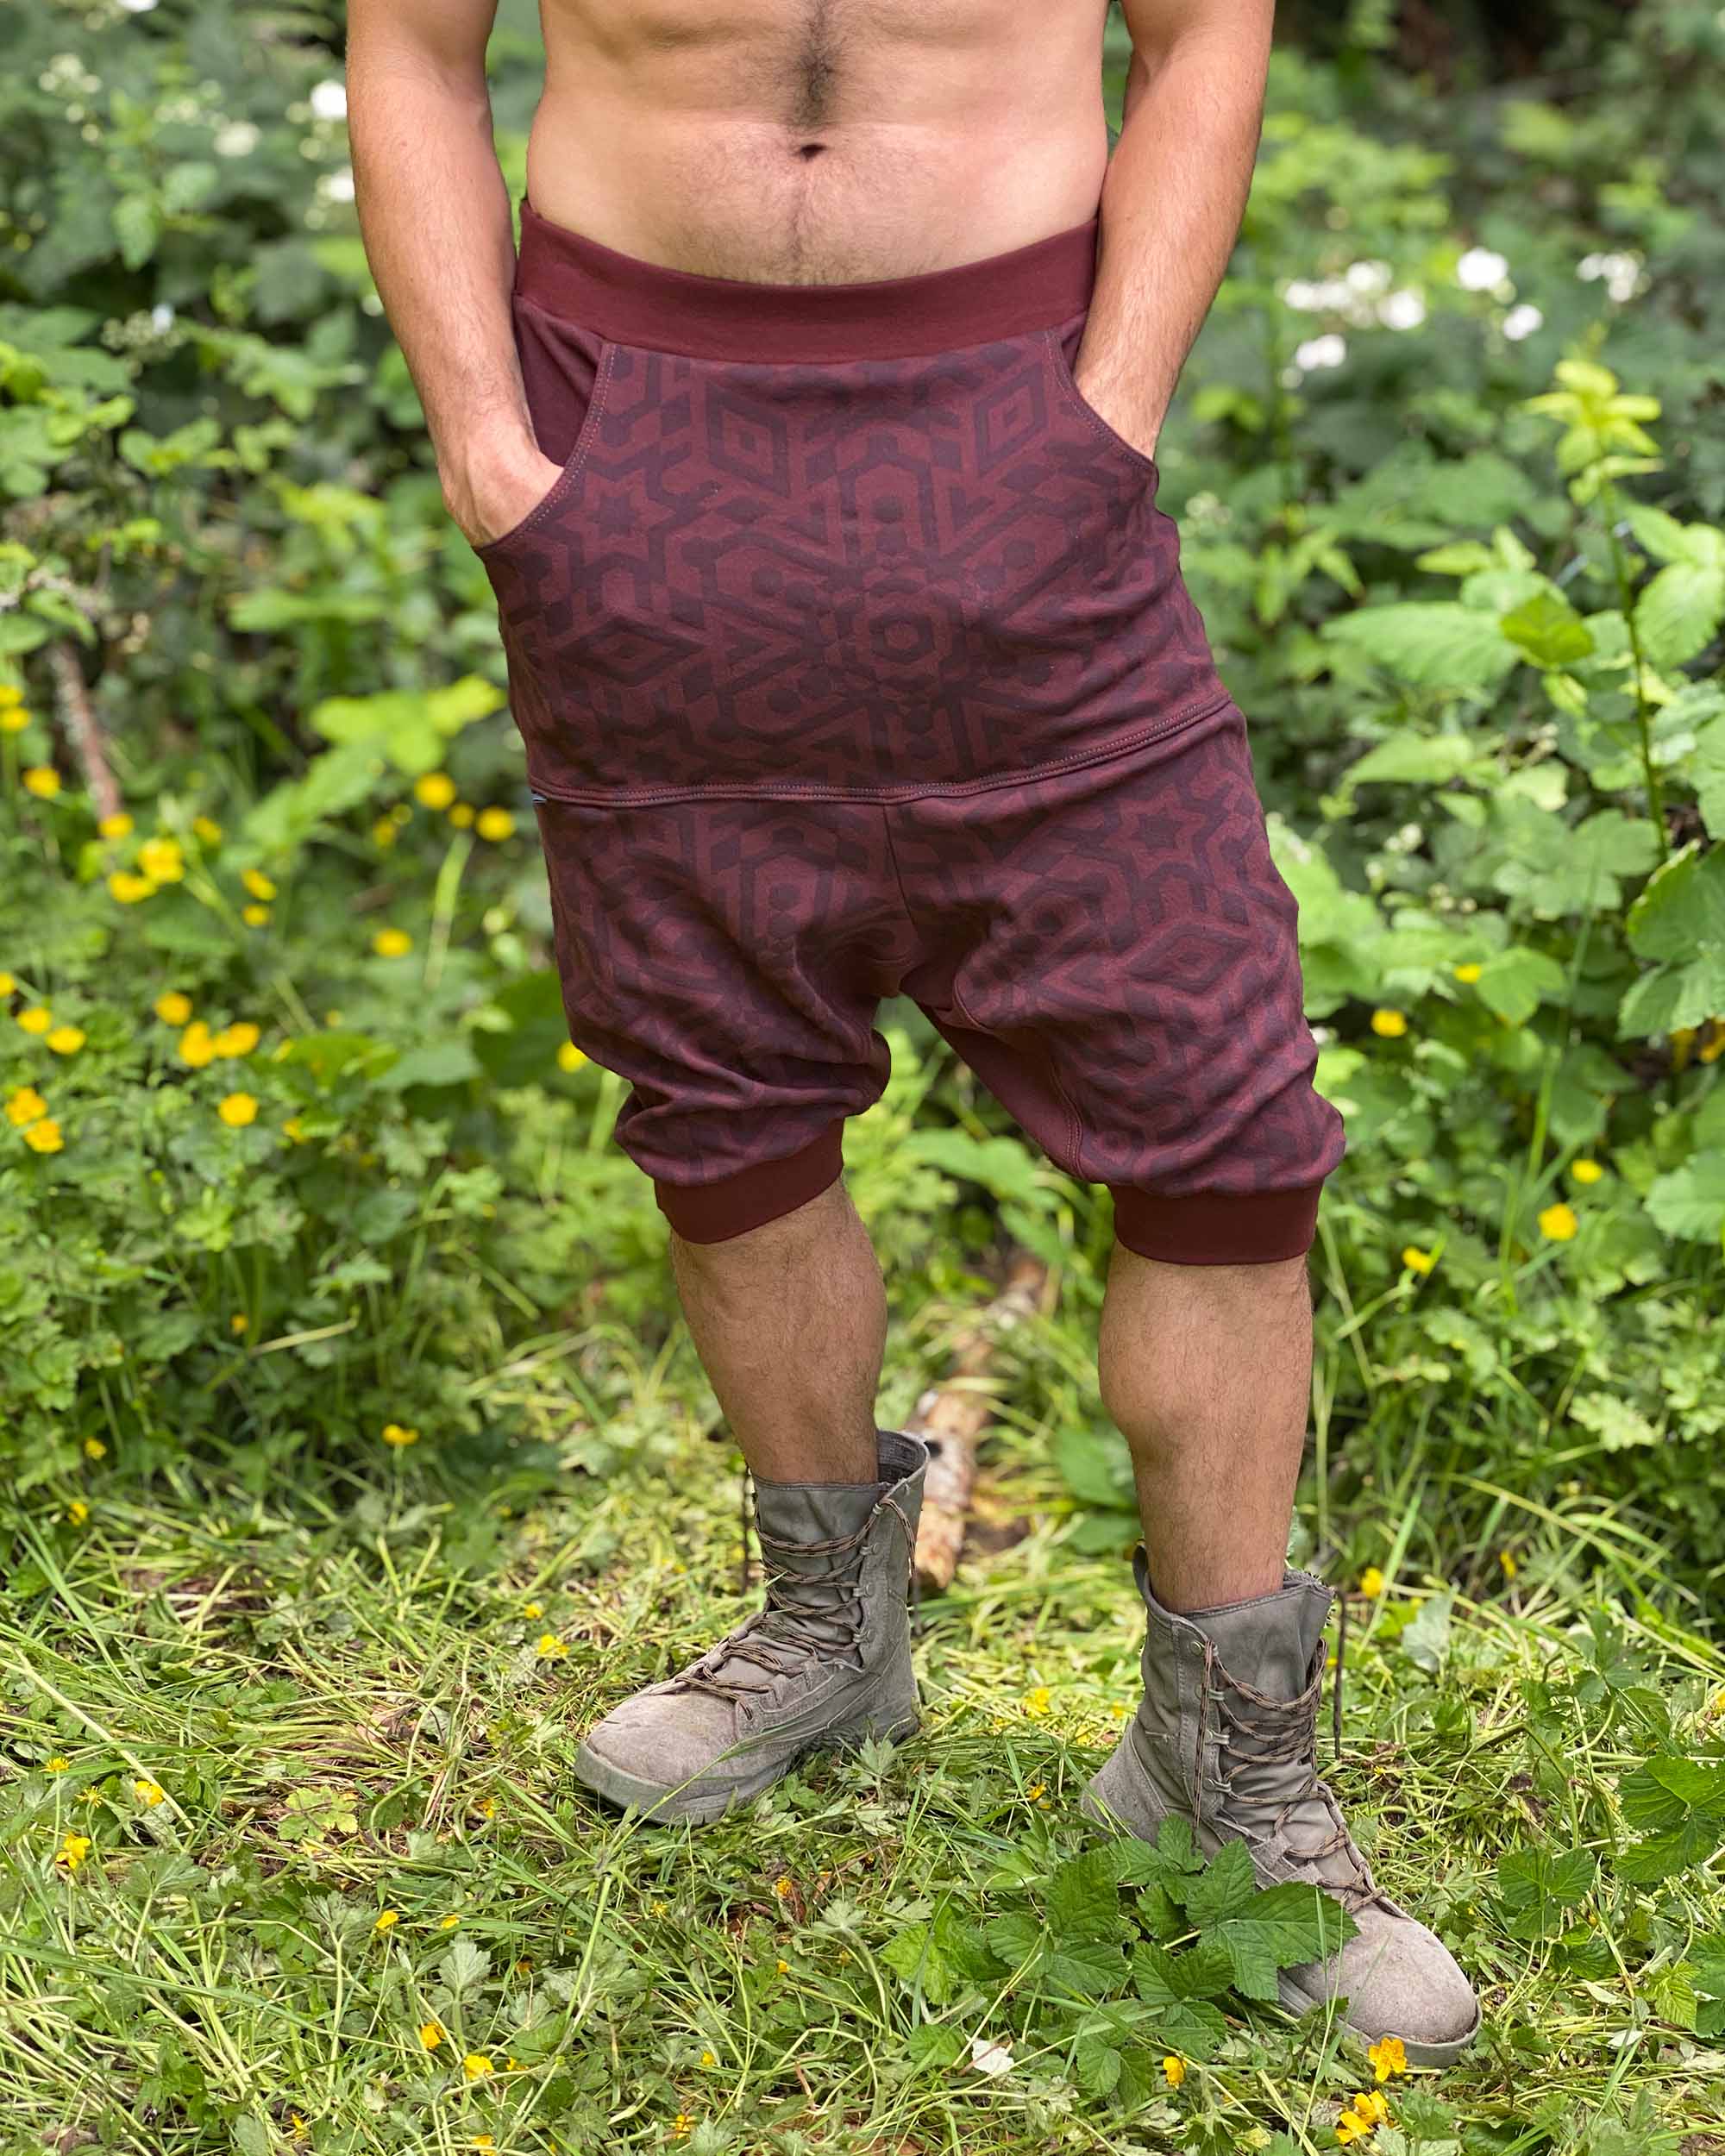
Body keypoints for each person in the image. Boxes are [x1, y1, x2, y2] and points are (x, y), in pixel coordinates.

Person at [348, 0, 1477, 2065]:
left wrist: (1107, 414)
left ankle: (1224, 1766)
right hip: (634, 438)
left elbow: (1205, 33)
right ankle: (824, 1630)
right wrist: (492, 458)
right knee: (721, 1096)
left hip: (1012, 426)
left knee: (1223, 1134)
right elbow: (412, 45)